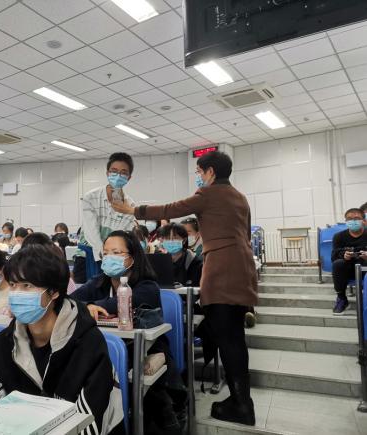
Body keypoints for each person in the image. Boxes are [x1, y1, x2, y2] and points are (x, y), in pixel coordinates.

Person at [112, 150, 258, 426]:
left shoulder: (209, 193)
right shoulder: (240, 197)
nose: (198, 177)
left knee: (227, 338)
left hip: (223, 272)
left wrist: (133, 210)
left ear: (211, 172)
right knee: (235, 338)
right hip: (242, 269)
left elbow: (171, 209)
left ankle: (242, 405)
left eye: (200, 172)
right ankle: (241, 401)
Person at [0, 245, 124, 435]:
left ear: (54, 291)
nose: (16, 294)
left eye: (27, 286)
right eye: (13, 285)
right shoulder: (3, 345)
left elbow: (88, 424)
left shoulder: (89, 345)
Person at [72, 230, 185, 434]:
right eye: (106, 253)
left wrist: (90, 306)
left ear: (132, 258)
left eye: (116, 253)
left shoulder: (148, 287)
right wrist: (87, 306)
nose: (109, 258)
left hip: (145, 351)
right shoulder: (98, 282)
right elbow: (70, 301)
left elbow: (115, 304)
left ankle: (165, 418)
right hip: (104, 352)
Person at [75, 153, 136, 283]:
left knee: (113, 292)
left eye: (123, 172)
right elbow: (91, 231)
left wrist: (111, 256)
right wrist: (104, 254)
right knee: (84, 292)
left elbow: (121, 235)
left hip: (114, 260)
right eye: (114, 171)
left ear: (129, 177)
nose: (118, 176)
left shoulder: (130, 205)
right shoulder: (90, 197)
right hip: (87, 256)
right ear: (107, 173)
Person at [331, 208, 367, 314]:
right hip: (348, 269)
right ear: (346, 221)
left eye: (356, 218)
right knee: (338, 264)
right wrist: (344, 255)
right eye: (350, 219)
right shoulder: (339, 236)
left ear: (363, 220)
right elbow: (334, 256)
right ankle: (341, 298)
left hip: (365, 268)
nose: (353, 221)